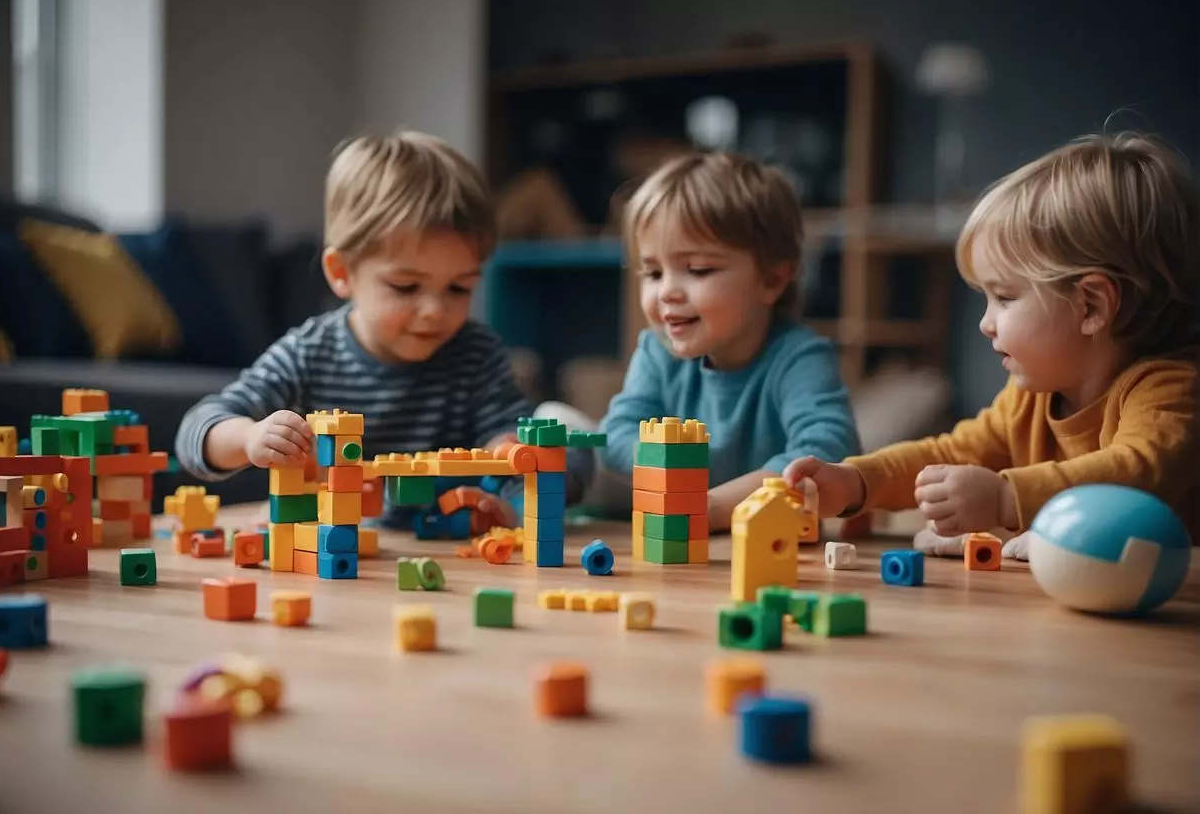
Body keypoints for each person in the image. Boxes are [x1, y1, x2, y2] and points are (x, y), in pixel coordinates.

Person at [782, 131, 1199, 559]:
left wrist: (1004, 497)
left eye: (1005, 297)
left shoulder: (1170, 390)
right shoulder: (1028, 399)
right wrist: (856, 481)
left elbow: (1138, 470)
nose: (985, 323)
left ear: (1091, 305)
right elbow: (950, 453)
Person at [175, 131, 544, 526]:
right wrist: (249, 438)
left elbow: (507, 437)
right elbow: (197, 429)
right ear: (341, 273)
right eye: (406, 286)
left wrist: (508, 456)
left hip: (445, 547)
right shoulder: (309, 353)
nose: (435, 310)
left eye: (459, 287)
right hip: (333, 547)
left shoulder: (476, 353)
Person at [550, 151, 861, 531]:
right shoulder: (656, 348)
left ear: (773, 280)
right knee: (555, 420)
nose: (666, 292)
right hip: (660, 497)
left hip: (754, 513)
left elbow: (826, 452)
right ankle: (525, 506)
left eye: (697, 269)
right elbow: (619, 431)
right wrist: (672, 480)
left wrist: (713, 506)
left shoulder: (800, 357)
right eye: (652, 273)